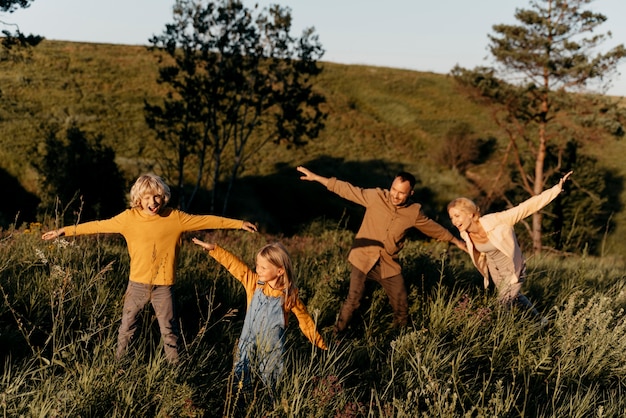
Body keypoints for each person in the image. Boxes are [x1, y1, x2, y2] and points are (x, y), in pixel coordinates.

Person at [41, 173, 257, 364]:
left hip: (164, 287)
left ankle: (175, 371)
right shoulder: (128, 218)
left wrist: (238, 223)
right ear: (138, 199)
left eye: (158, 197)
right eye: (147, 198)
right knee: (126, 329)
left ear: (164, 196)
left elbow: (206, 220)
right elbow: (97, 225)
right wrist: (64, 231)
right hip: (136, 285)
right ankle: (119, 367)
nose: (153, 202)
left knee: (169, 333)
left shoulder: (176, 218)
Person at [297, 166, 465, 333]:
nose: (395, 195)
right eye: (393, 189)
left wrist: (456, 241)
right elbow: (347, 189)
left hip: (388, 264)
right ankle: (337, 335)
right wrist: (317, 178)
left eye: (401, 193)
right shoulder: (376, 197)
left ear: (410, 194)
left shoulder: (414, 213)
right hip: (363, 259)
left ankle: (398, 340)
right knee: (354, 300)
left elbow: (433, 228)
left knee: (401, 304)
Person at [191, 237, 327, 395]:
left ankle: (269, 401)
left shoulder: (289, 295)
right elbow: (235, 266)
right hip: (248, 336)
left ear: (280, 271)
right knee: (242, 366)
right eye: (257, 265)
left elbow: (305, 320)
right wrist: (214, 248)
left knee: (271, 372)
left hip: (272, 343)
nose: (258, 270)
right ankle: (239, 398)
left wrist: (319, 343)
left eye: (263, 268)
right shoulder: (254, 283)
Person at [447, 171, 573, 316]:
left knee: (503, 304)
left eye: (457, 216)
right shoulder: (465, 233)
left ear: (470, 214)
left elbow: (526, 207)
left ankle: (503, 333)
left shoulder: (497, 220)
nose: (454, 221)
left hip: (513, 267)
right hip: (495, 271)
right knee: (515, 298)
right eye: (451, 217)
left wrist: (556, 189)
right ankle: (541, 322)